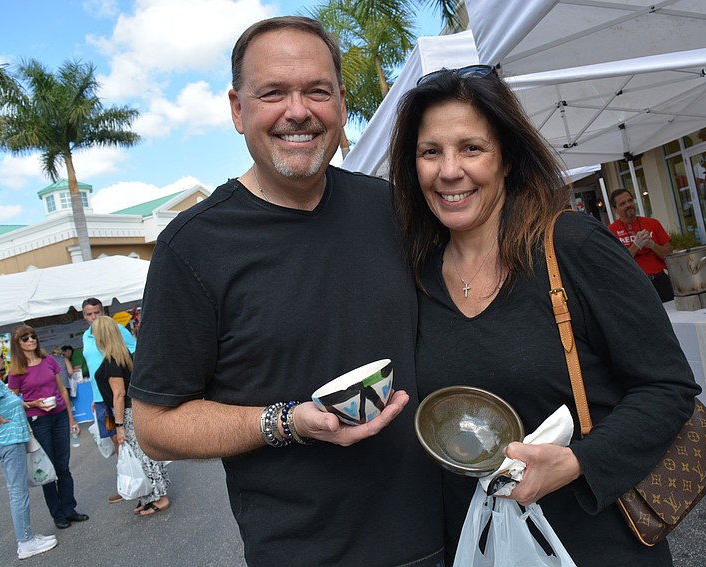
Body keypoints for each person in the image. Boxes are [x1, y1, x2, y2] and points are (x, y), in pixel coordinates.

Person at [128, 16, 443, 567]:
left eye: (316, 91)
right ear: (237, 109)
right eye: (273, 92)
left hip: (443, 532)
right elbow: (156, 427)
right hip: (305, 552)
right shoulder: (191, 247)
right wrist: (284, 422)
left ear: (341, 103)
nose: (298, 111)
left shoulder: (393, 208)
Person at [388, 65, 700, 566]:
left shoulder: (572, 247)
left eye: (472, 148)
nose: (449, 170)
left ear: (507, 159)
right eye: (431, 152)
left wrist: (578, 460)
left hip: (593, 542)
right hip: (478, 546)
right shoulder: (414, 279)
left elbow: (667, 388)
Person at [6, 325, 89, 530]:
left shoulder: (48, 360)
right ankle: (58, 514)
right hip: (38, 420)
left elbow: (61, 389)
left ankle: (70, 509)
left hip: (60, 415)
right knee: (48, 469)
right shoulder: (17, 370)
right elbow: (12, 400)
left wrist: (72, 419)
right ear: (18, 344)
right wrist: (34, 404)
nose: (31, 340)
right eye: (25, 338)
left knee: (63, 466)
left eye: (33, 336)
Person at [92, 316, 170, 516]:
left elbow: (118, 394)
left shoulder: (111, 361)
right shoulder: (124, 355)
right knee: (142, 455)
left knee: (143, 455)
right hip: (133, 410)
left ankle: (160, 497)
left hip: (126, 413)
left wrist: (119, 426)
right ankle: (150, 495)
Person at [81, 297, 136, 503]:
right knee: (116, 441)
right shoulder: (86, 337)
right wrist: (95, 399)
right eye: (89, 314)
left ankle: (133, 482)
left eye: (97, 312)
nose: (94, 317)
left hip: (117, 393)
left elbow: (134, 353)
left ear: (102, 311)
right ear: (84, 316)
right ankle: (127, 481)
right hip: (101, 396)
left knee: (124, 438)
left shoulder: (116, 329)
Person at [0, 373, 59, 559]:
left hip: (10, 439)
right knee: (18, 491)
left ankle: (27, 537)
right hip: (9, 441)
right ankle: (25, 542)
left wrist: (29, 404)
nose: (1, 359)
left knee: (17, 490)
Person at [608, 188, 675, 302]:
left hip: (660, 281)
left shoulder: (652, 223)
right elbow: (616, 262)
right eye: (623, 204)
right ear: (615, 210)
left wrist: (652, 244)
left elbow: (669, 254)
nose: (628, 205)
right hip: (635, 285)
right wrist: (636, 246)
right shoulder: (610, 231)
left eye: (630, 200)